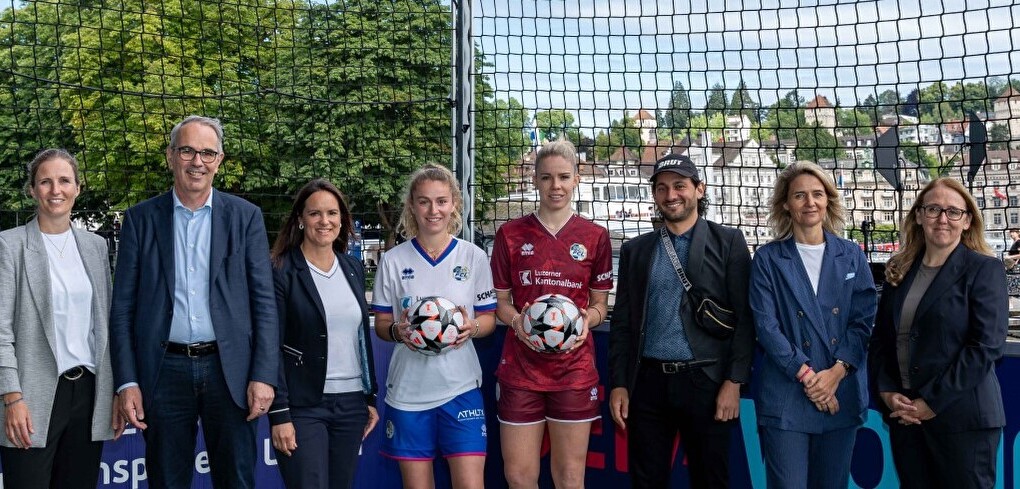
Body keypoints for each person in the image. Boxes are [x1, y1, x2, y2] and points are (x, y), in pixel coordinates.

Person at [109, 115, 278, 488]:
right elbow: (122, 309)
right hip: (162, 372)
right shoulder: (140, 220)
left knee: (236, 479)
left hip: (230, 371)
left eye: (206, 152)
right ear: (170, 156)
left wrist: (264, 376)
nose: (196, 161)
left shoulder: (246, 217)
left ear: (219, 160)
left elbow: (264, 304)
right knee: (167, 481)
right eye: (187, 150)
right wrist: (127, 382)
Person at [608, 153, 754, 488]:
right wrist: (619, 383)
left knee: (710, 479)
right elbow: (623, 325)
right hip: (648, 383)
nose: (671, 195)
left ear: (699, 189)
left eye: (679, 186)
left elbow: (746, 319)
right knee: (647, 480)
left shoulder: (729, 242)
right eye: (661, 188)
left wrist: (734, 382)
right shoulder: (636, 250)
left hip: (706, 380)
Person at [868, 178, 1007, 488]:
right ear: (919, 216)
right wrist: (888, 393)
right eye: (933, 209)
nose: (942, 219)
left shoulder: (984, 270)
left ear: (967, 220)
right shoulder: (899, 270)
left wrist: (930, 402)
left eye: (953, 211)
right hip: (908, 420)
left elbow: (986, 347)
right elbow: (881, 342)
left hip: (963, 422)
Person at [491, 140, 612, 489]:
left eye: (563, 177)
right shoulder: (510, 235)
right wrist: (517, 321)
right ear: (535, 180)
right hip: (520, 370)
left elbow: (600, 306)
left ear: (576, 178)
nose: (555, 186)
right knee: (519, 477)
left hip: (573, 371)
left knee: (570, 477)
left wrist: (580, 322)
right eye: (546, 178)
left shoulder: (595, 236)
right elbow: (501, 302)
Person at [748, 161, 877, 488]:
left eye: (817, 194)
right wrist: (808, 377)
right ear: (786, 204)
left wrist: (834, 375)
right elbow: (766, 326)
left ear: (828, 200)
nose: (810, 203)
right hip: (788, 395)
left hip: (841, 393)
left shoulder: (851, 254)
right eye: (800, 195)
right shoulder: (767, 259)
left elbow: (862, 323)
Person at [0, 149, 123, 488]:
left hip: (88, 394)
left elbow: (107, 328)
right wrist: (12, 397)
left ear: (78, 188)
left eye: (64, 180)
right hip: (32, 397)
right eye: (45, 181)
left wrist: (114, 391)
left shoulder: (96, 246)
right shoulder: (9, 246)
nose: (56, 190)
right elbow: (0, 331)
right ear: (32, 190)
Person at [371, 163, 497, 489]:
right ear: (412, 205)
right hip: (408, 395)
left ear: (454, 202)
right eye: (424, 201)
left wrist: (473, 328)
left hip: (461, 389)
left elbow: (488, 319)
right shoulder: (393, 260)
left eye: (441, 201)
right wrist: (398, 332)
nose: (433, 210)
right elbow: (382, 324)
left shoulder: (473, 257)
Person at [268, 179, 379, 489]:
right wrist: (279, 413)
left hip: (351, 405)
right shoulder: (280, 270)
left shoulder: (352, 267)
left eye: (332, 213)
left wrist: (369, 397)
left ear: (342, 219)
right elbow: (270, 347)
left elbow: (360, 338)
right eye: (315, 213)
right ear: (301, 220)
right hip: (303, 407)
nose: (324, 221)